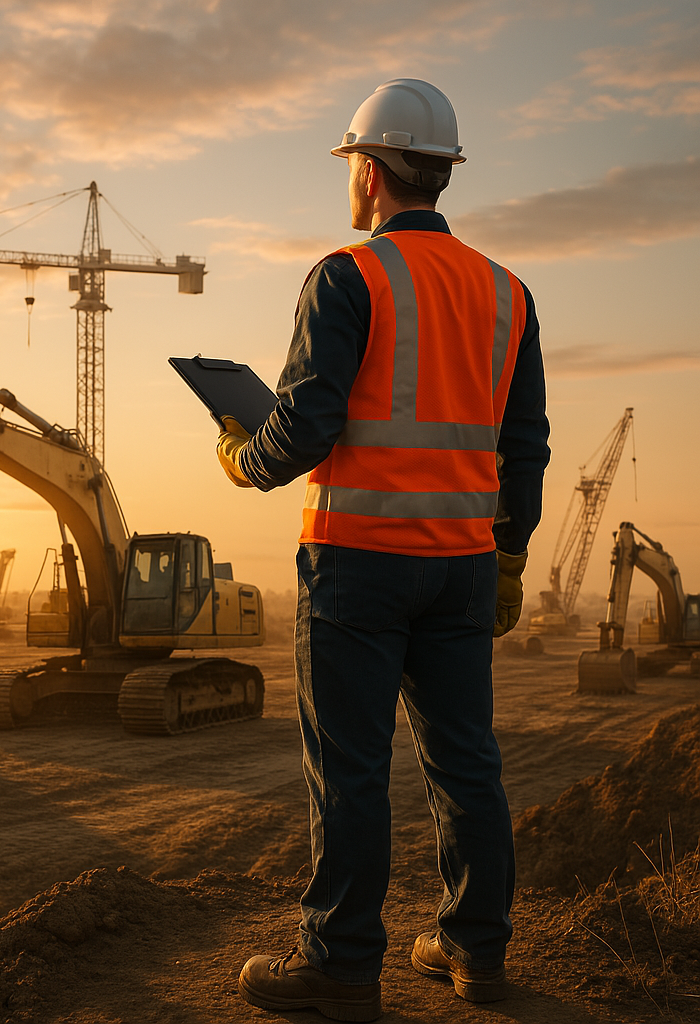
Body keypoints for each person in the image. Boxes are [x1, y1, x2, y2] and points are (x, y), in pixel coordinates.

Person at [216, 79, 549, 1022]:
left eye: (350, 162)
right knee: (466, 762)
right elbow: (523, 445)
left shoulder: (347, 276)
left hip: (357, 561)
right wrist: (510, 554)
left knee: (352, 768)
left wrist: (249, 457)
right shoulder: (506, 292)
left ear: (369, 169)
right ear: (441, 172)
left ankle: (341, 963)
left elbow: (309, 426)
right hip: (462, 564)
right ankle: (474, 950)